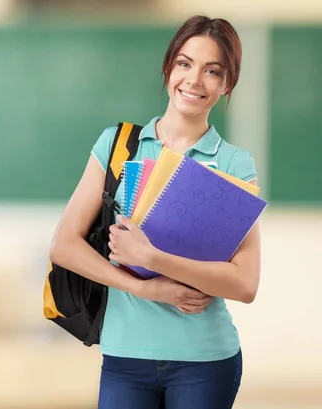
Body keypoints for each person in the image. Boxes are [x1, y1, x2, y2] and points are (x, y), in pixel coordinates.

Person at [49, 15, 259, 409]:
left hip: (205, 361)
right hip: (125, 356)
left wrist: (152, 258)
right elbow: (64, 246)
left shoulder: (234, 163)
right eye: (184, 63)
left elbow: (245, 284)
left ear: (226, 84)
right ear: (168, 68)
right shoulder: (118, 145)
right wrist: (145, 286)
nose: (194, 81)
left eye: (212, 71)